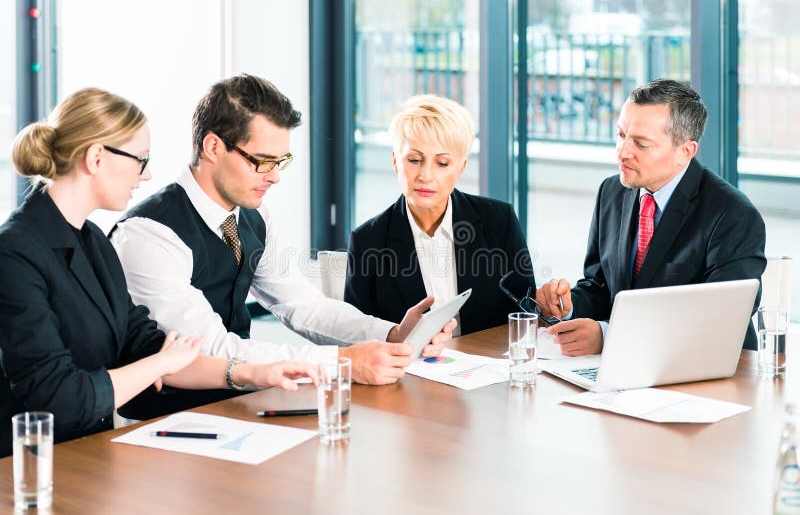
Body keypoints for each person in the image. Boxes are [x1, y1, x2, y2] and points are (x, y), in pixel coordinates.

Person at [0, 88, 319, 457]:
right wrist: (159, 364)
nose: (147, 174)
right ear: (96, 158)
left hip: (88, 453)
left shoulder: (94, 243)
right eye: (140, 159)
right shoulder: (15, 253)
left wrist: (248, 373)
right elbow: (61, 397)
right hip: (26, 468)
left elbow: (145, 345)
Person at [110, 75, 453, 414]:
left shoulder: (252, 217)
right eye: (262, 161)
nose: (274, 176)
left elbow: (304, 306)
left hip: (240, 404)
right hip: (166, 421)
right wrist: (342, 361)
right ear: (213, 147)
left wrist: (391, 335)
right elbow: (211, 349)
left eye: (280, 161)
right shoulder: (149, 234)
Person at [536, 78, 766, 356]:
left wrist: (610, 337)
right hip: (626, 375)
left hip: (710, 375)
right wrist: (568, 304)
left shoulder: (733, 215)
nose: (622, 153)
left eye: (641, 144)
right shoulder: (612, 191)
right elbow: (601, 287)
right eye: (621, 135)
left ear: (685, 152)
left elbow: (717, 321)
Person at [344, 94, 535, 335]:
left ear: (460, 169)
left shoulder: (499, 220)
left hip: (490, 366)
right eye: (414, 160)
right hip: (410, 370)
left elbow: (527, 312)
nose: (425, 175)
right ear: (395, 161)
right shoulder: (367, 240)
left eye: (442, 163)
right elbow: (355, 335)